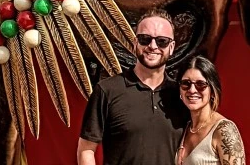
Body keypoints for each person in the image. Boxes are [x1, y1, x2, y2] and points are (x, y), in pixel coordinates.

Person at [77, 9, 189, 165]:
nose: (153, 46)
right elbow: (86, 150)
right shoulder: (107, 90)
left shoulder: (181, 95)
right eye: (145, 39)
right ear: (135, 43)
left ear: (171, 47)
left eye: (162, 41)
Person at [175, 56, 246, 165]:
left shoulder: (224, 130)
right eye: (186, 84)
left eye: (200, 84)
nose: (192, 90)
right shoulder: (185, 128)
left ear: (212, 91)